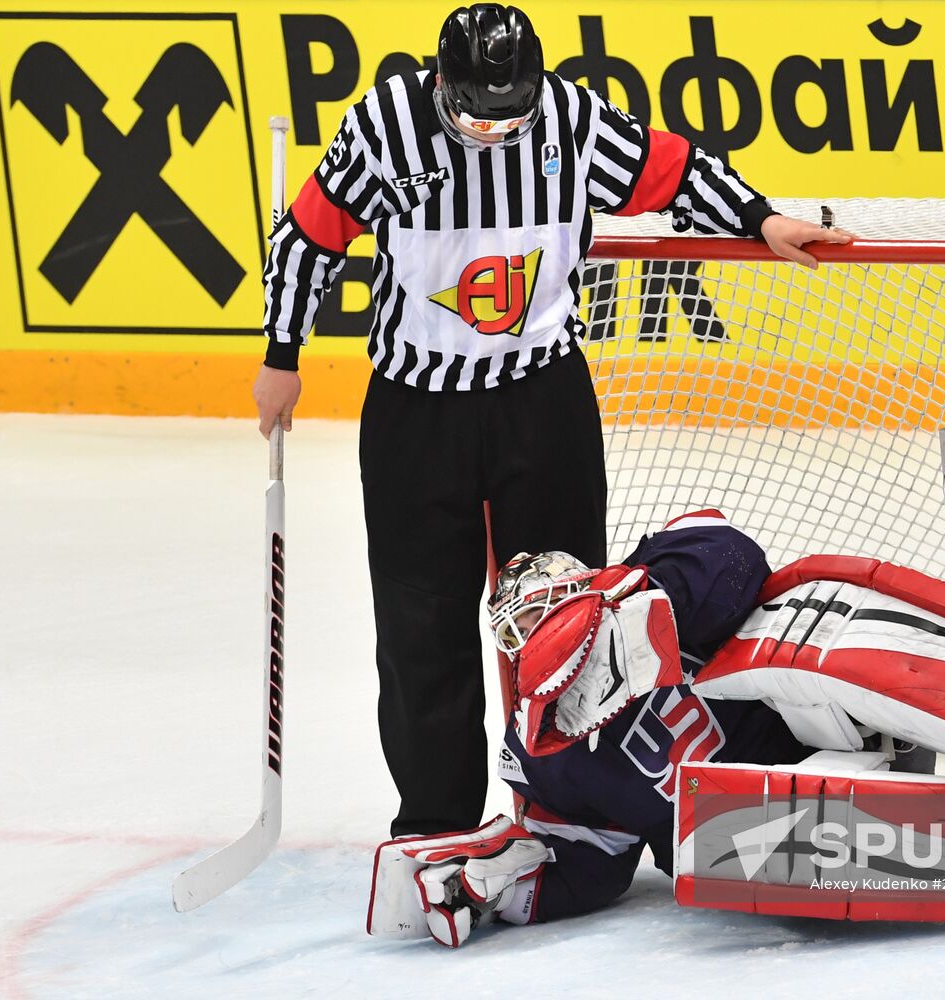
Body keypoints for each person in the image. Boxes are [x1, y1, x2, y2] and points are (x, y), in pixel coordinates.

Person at [252, 5, 854, 839]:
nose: (493, 131)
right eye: (473, 115)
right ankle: (436, 823)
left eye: (511, 113)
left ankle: (572, 813)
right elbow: (307, 240)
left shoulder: (572, 118)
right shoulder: (385, 124)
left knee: (574, 619)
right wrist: (282, 354)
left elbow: (672, 169)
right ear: (439, 87)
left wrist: (759, 217)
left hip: (541, 401)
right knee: (422, 620)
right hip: (416, 415)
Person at [366, 509, 945, 947]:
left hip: (829, 719)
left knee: (790, 628)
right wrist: (509, 888)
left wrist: (645, 609)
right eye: (520, 626)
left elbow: (738, 558)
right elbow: (594, 864)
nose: (535, 632)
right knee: (739, 853)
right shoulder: (541, 755)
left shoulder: (651, 571)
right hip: (764, 824)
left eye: (544, 610)